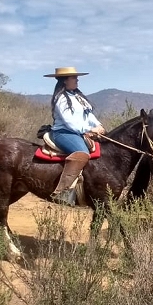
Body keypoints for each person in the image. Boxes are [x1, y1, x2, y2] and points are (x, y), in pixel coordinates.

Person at [44, 67, 106, 205]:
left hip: (81, 132)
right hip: (64, 133)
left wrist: (99, 126)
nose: (77, 80)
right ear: (65, 81)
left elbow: (89, 115)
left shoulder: (78, 97)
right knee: (82, 153)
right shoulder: (61, 98)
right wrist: (88, 130)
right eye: (74, 78)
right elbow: (69, 122)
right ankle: (63, 192)